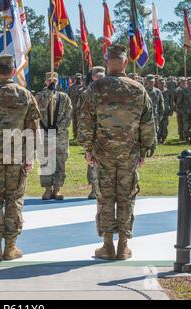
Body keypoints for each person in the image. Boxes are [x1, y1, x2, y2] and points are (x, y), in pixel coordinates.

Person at [79, 44, 156, 261]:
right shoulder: (137, 88)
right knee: (126, 197)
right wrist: (145, 150)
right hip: (129, 153)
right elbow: (147, 123)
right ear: (125, 62)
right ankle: (123, 246)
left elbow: (86, 121)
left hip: (102, 152)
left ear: (107, 63)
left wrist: (87, 148)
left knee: (105, 197)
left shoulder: (96, 88)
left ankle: (107, 245)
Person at [0, 54, 41, 261]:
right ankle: (10, 247)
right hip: (17, 157)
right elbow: (33, 129)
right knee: (14, 201)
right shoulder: (25, 95)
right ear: (13, 71)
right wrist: (30, 157)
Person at [35, 72, 72, 201]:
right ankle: (47, 189)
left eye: (54, 80)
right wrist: (48, 92)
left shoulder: (64, 97)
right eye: (49, 80)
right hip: (44, 133)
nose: (52, 82)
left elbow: (68, 115)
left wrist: (58, 127)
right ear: (45, 82)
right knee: (45, 161)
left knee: (60, 161)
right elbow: (39, 108)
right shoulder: (39, 96)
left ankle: (57, 189)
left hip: (59, 135)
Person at [79, 66, 106, 200]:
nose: (99, 77)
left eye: (102, 75)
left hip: (109, 135)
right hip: (95, 135)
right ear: (93, 77)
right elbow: (84, 118)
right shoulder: (87, 93)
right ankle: (94, 189)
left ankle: (104, 190)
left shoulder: (112, 91)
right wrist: (86, 143)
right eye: (97, 75)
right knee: (93, 164)